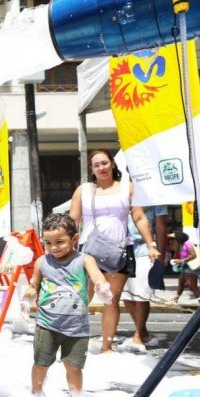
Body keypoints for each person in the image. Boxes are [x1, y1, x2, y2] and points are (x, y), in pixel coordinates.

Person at [69, 149, 160, 353]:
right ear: (91, 169)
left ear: (113, 164)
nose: (101, 168)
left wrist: (151, 245)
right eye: (96, 165)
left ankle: (106, 346)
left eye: (104, 163)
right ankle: (68, 342)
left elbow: (139, 218)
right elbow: (72, 221)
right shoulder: (83, 190)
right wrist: (63, 248)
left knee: (111, 299)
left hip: (119, 250)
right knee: (80, 297)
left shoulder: (127, 187)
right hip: (88, 250)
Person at [23, 213, 111, 397]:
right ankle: (35, 394)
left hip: (77, 326)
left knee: (74, 366)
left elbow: (97, 276)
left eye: (60, 242)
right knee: (41, 363)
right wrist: (26, 300)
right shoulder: (42, 262)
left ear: (75, 238)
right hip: (47, 324)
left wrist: (102, 287)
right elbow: (33, 287)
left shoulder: (84, 259)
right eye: (47, 242)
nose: (53, 247)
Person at [120, 205, 167, 352]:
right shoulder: (123, 192)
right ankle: (143, 333)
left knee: (142, 295)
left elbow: (161, 227)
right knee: (126, 296)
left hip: (144, 250)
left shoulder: (156, 198)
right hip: (120, 251)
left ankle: (138, 336)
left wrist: (160, 253)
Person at [170, 231, 200, 303]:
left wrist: (181, 261)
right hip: (185, 267)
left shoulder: (187, 244)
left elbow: (193, 255)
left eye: (174, 239)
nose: (173, 241)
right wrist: (177, 249)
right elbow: (175, 258)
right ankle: (175, 299)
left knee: (192, 286)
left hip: (190, 267)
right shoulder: (181, 245)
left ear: (178, 239)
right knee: (181, 283)